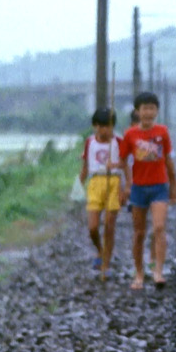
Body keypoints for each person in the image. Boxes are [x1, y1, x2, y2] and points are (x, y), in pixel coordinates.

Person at [120, 92, 176, 290]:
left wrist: (174, 186)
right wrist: (127, 186)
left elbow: (168, 161)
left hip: (159, 187)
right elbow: (123, 162)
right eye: (144, 108)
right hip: (138, 188)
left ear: (156, 111)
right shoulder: (130, 134)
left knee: (159, 228)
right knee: (139, 233)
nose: (148, 112)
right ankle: (138, 272)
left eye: (151, 108)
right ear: (137, 111)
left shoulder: (162, 132)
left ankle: (158, 271)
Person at [78, 107, 127, 280]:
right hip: (95, 182)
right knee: (92, 227)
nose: (103, 130)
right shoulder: (90, 142)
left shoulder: (119, 142)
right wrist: (78, 185)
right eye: (99, 126)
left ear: (112, 126)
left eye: (107, 126)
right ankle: (100, 250)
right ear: (94, 126)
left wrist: (125, 188)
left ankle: (106, 264)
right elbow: (85, 166)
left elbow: (125, 166)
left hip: (113, 182)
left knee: (109, 226)